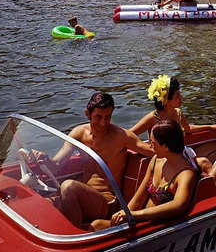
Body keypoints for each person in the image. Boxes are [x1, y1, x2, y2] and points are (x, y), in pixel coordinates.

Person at [33, 92, 152, 229]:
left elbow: (154, 151)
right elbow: (57, 165)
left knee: (68, 186)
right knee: (43, 203)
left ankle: (75, 235)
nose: (103, 123)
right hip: (83, 195)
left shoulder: (121, 136)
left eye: (108, 117)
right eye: (98, 117)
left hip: (107, 202)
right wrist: (44, 159)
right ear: (87, 114)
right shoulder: (78, 134)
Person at [95, 120, 198, 229]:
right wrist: (126, 214)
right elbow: (139, 197)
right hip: (141, 221)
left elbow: (179, 205)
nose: (150, 146)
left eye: (153, 143)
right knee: (96, 225)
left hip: (159, 228)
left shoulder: (186, 174)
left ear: (166, 147)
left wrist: (135, 215)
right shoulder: (155, 161)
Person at [130, 75, 216, 138]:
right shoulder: (152, 118)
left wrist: (209, 127)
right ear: (165, 100)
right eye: (177, 96)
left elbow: (188, 129)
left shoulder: (178, 112)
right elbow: (129, 134)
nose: (181, 98)